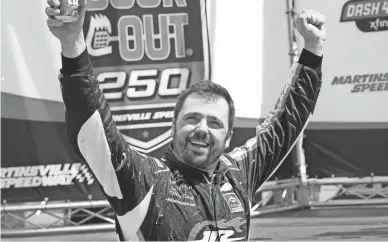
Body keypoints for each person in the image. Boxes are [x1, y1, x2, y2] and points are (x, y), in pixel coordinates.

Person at [46, 0, 326, 240]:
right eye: (192, 118)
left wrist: (312, 49)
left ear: (228, 136)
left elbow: (285, 124)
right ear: (174, 125)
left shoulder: (238, 174)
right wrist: (73, 45)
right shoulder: (143, 181)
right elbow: (94, 129)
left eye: (215, 123)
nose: (202, 129)